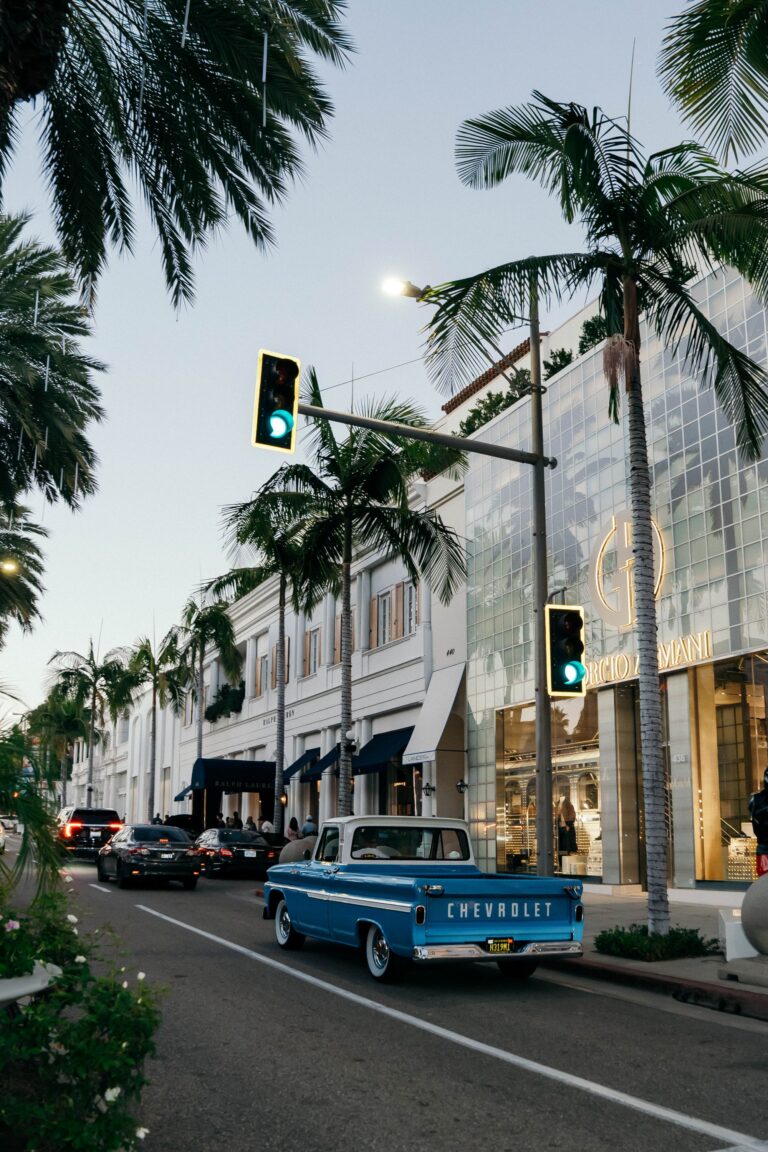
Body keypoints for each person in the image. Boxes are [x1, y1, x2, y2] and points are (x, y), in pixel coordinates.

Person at [749, 767, 768, 877]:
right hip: (764, 848)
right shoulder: (756, 799)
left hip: (763, 847)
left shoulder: (756, 799)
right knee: (764, 881)